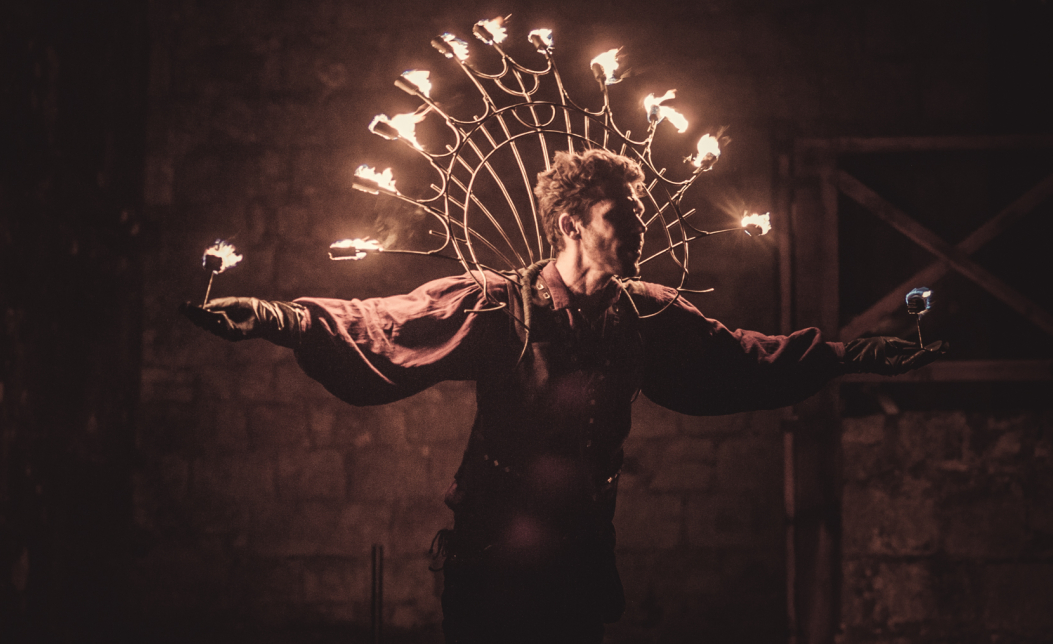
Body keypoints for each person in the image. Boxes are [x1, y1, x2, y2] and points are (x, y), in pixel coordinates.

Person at [182, 148, 945, 644]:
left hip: (579, 557)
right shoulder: (498, 304)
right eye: (619, 217)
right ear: (571, 224)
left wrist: (854, 356)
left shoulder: (648, 314)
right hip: (492, 561)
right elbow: (385, 322)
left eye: (637, 215)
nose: (636, 229)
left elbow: (743, 358)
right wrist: (276, 318)